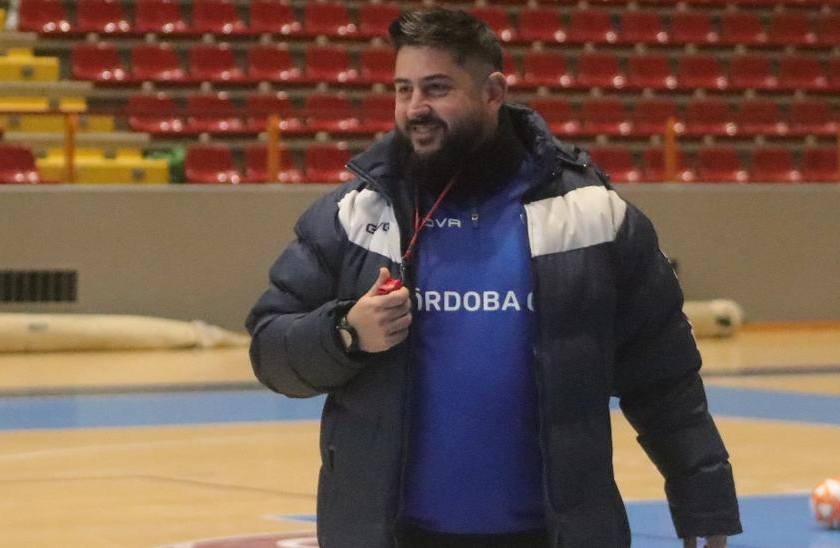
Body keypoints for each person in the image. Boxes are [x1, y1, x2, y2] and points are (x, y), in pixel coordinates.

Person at [245, 8, 741, 548]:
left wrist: (704, 503)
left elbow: (664, 376)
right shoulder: (355, 216)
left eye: (436, 88)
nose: (416, 109)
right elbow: (272, 350)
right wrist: (344, 333)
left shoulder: (590, 217)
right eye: (403, 89)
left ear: (494, 92)